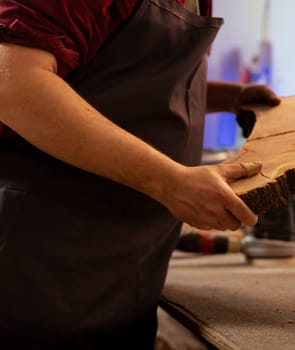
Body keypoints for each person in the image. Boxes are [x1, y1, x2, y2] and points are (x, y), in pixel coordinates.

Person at [0, 0, 280, 348]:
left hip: (125, 266)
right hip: (40, 259)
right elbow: (13, 84)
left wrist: (230, 97)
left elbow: (127, 82)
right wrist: (172, 182)